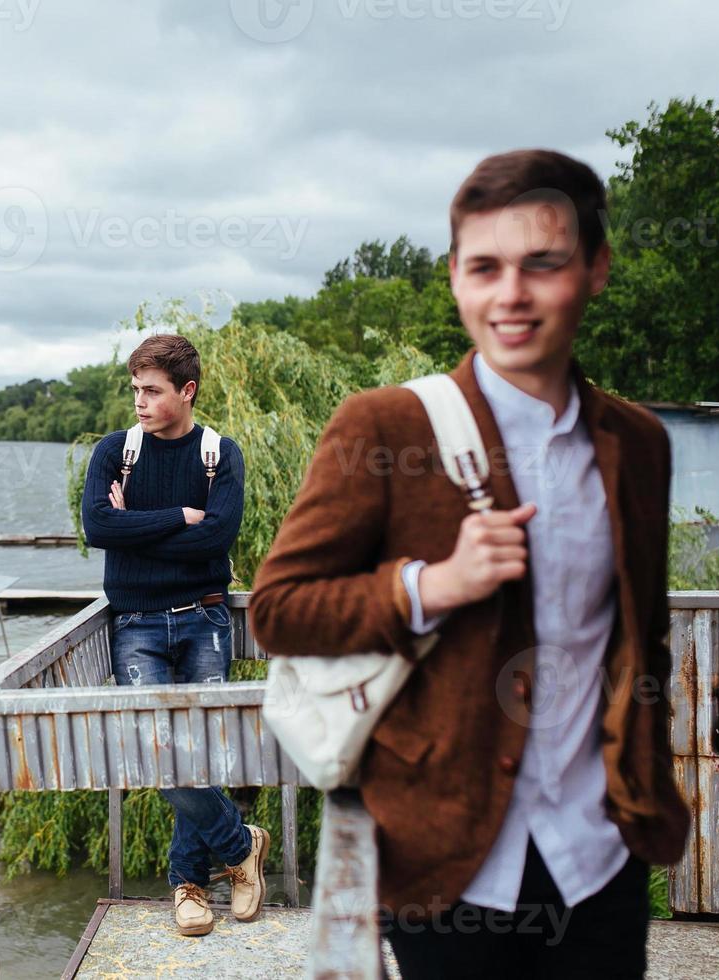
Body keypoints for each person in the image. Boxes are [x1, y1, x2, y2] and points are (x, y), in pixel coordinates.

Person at [250, 149, 690, 978]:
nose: (510, 295)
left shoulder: (640, 444)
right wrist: (431, 585)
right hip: (445, 867)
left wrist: (644, 796)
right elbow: (276, 611)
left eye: (543, 264)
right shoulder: (386, 426)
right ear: (454, 276)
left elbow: (642, 639)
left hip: (600, 858)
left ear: (595, 269)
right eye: (484, 267)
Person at [80, 332, 266, 938]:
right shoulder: (115, 451)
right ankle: (242, 848)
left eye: (152, 391)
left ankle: (187, 885)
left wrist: (134, 524)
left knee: (199, 753)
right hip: (135, 624)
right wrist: (176, 517)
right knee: (158, 754)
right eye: (134, 389)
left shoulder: (220, 453)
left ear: (186, 392)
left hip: (204, 617)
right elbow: (96, 526)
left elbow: (217, 540)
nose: (138, 401)